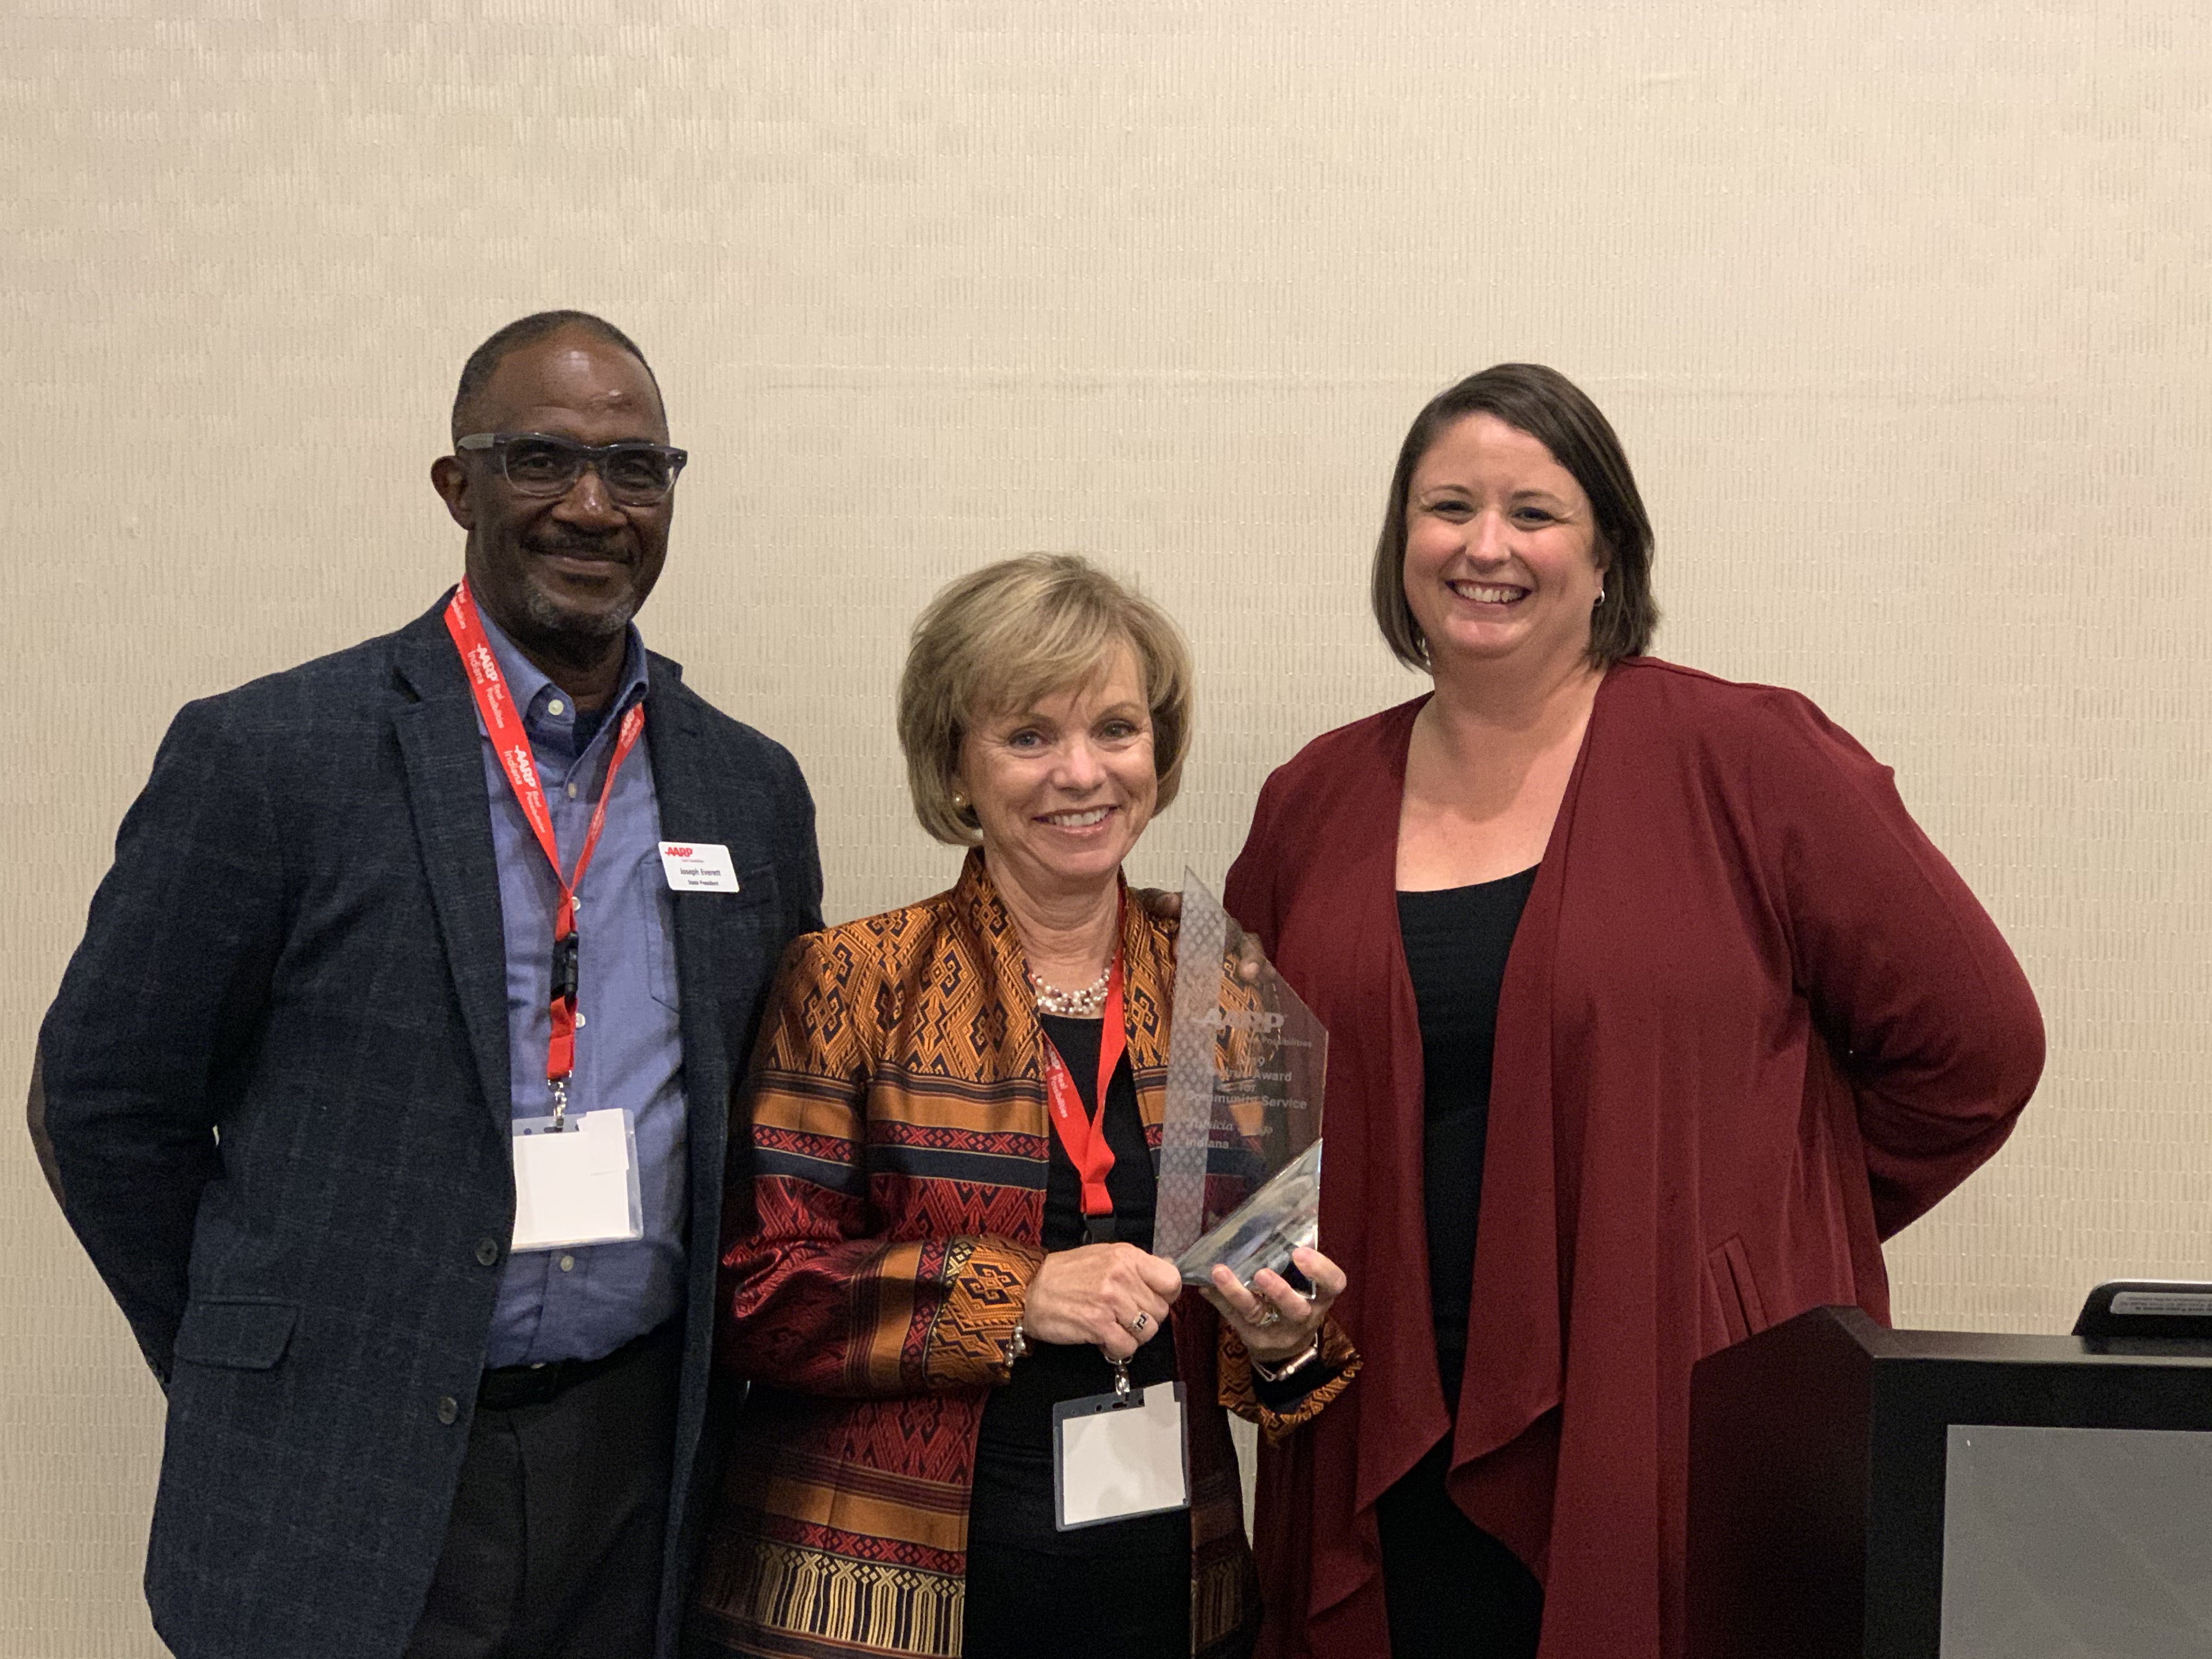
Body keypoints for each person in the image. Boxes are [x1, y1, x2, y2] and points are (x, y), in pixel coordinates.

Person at [27, 311, 823, 1659]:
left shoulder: (746, 788)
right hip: (344, 1472)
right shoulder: (276, 758)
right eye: (541, 460)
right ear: (457, 485)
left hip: (635, 1472)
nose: (593, 505)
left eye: (637, 468)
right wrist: (261, 1358)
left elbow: (771, 1115)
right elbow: (105, 1106)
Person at [1222, 364, 2045, 1659]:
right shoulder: (1311, 799)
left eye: (1534, 512)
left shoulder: (1751, 759)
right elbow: (1245, 1123)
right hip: (1381, 1425)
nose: (1486, 545)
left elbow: (1978, 1049)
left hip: (1670, 1400)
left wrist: (1748, 1234)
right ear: (1401, 548)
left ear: (1609, 555)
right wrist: (1258, 1295)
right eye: (1448, 507)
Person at [691, 555, 1358, 1659]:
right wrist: (1019, 1290)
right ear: (957, 765)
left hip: (1157, 1586)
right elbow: (761, 1294)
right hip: (883, 1598)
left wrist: (1283, 1339)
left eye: (1115, 729)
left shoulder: (1220, 981)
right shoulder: (855, 978)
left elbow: (1253, 1314)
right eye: (1029, 736)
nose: (1082, 773)